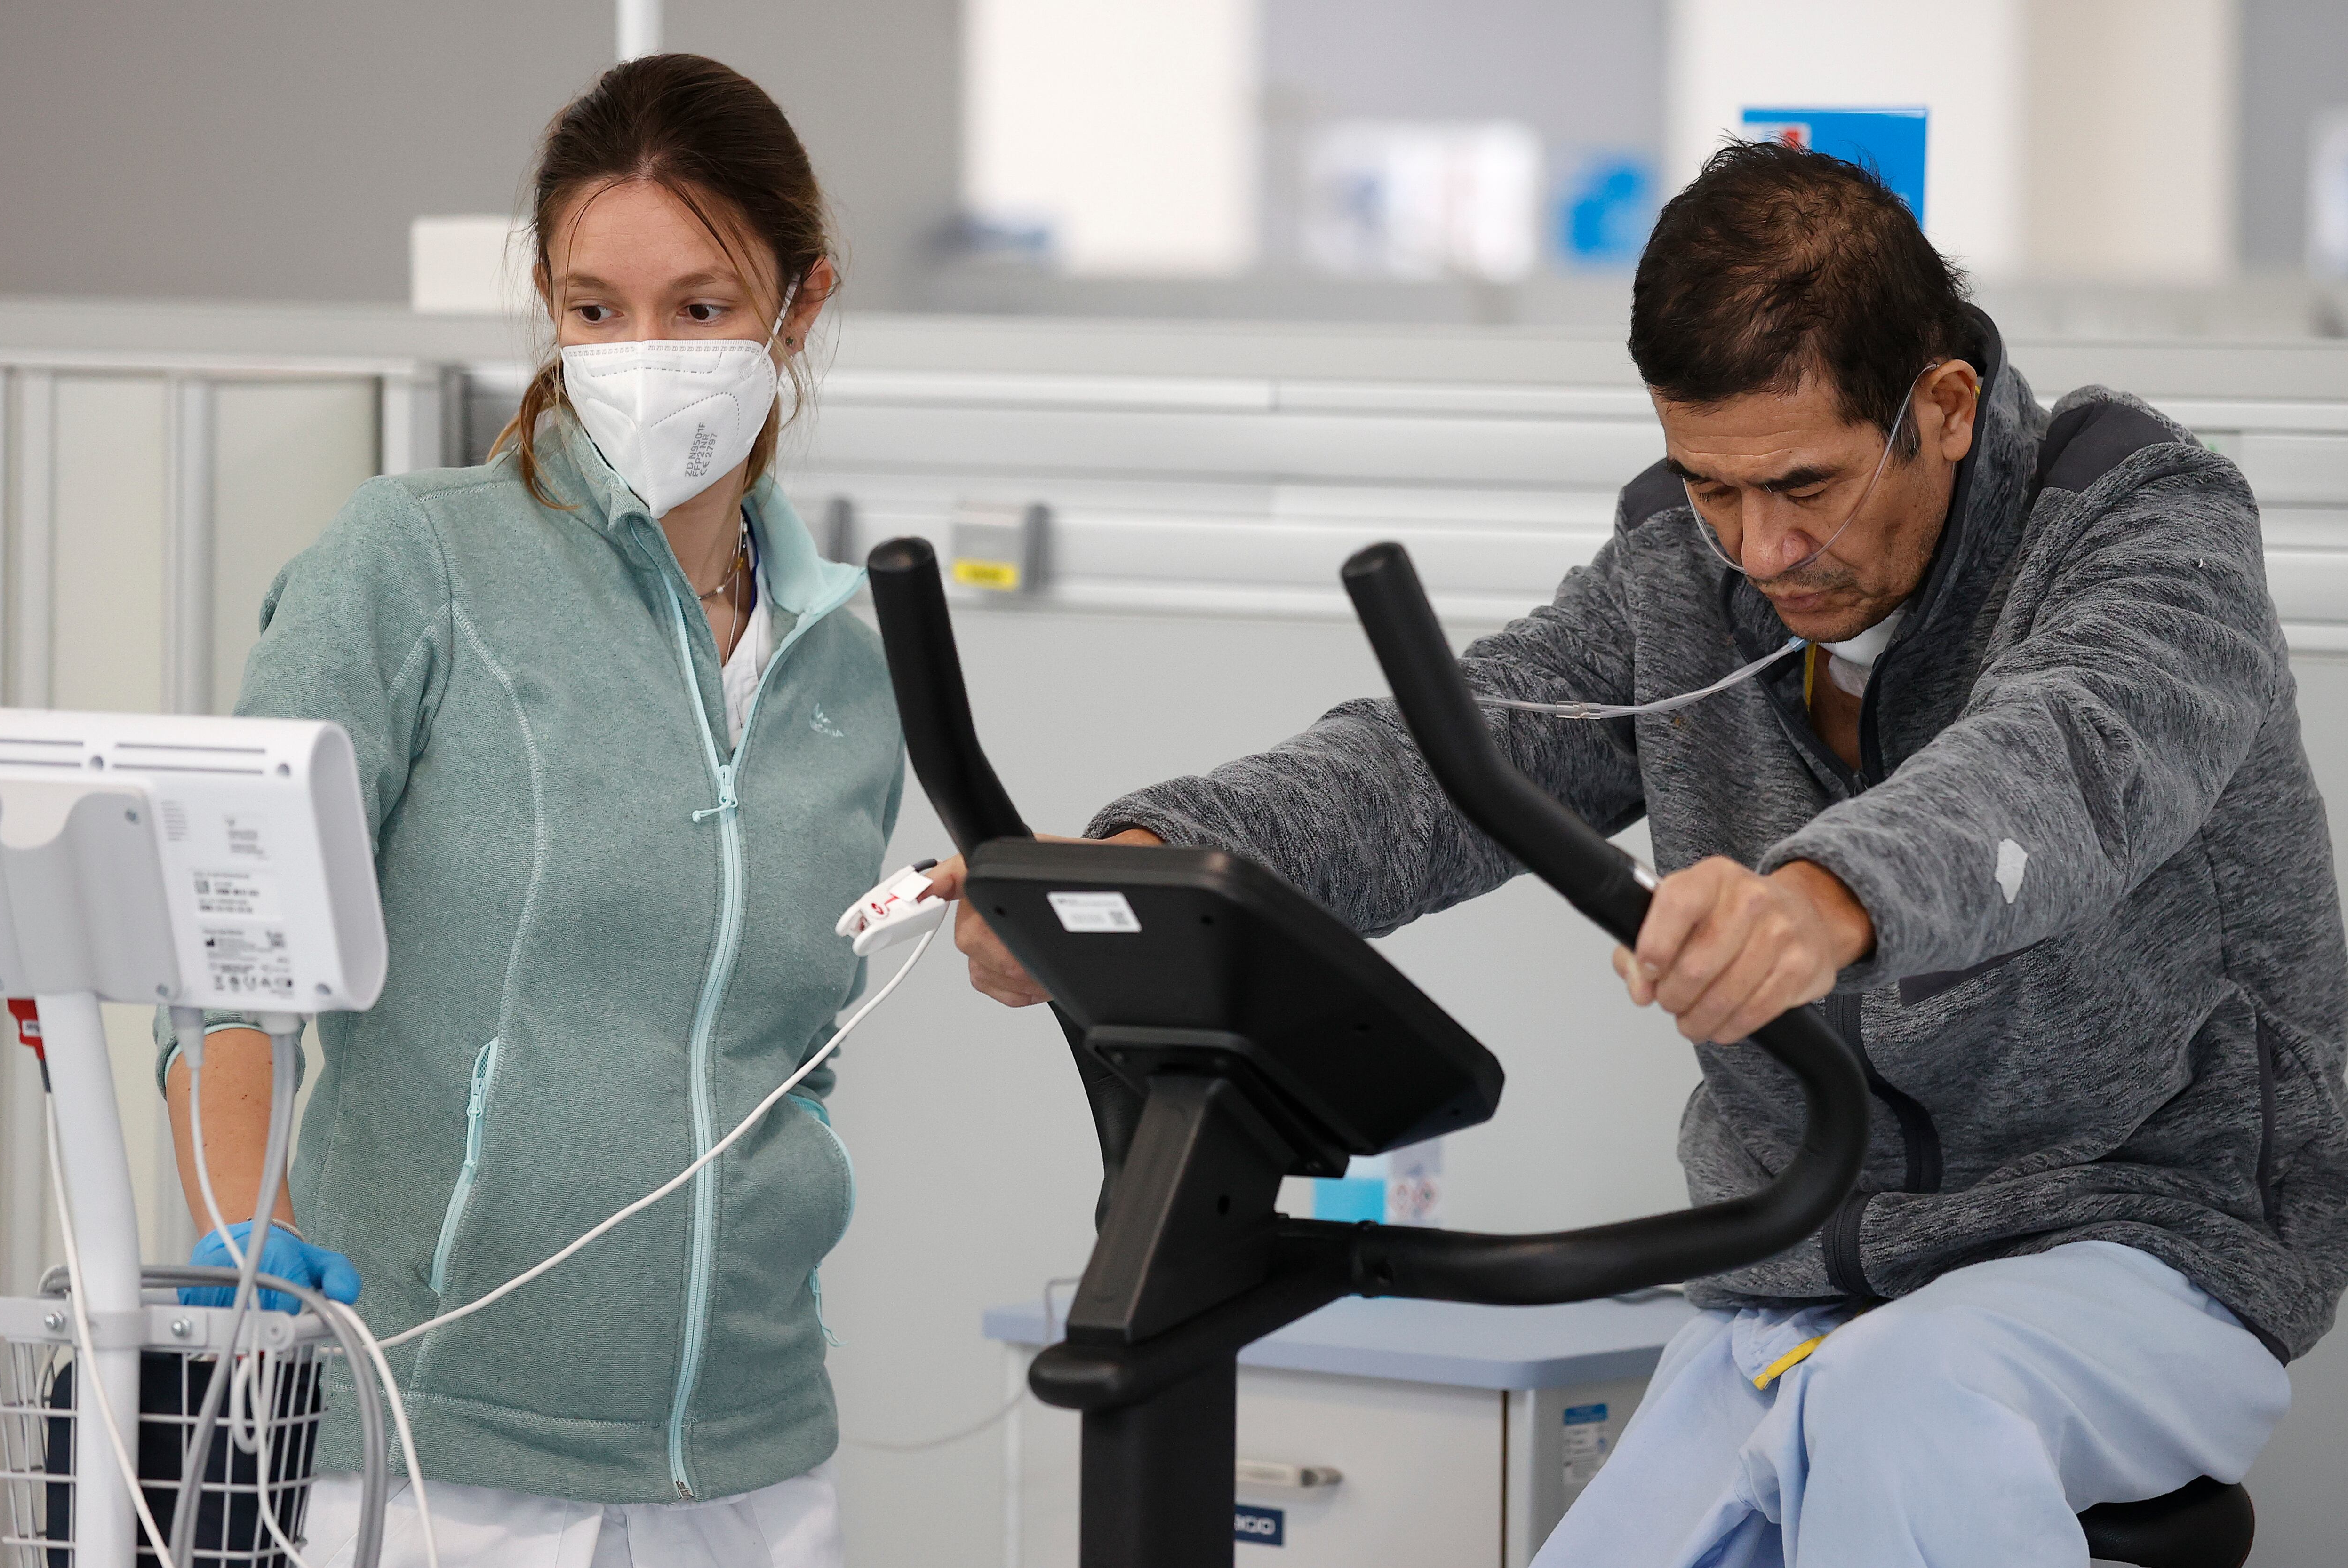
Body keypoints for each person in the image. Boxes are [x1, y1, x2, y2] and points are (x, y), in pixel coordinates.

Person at [936, 143, 2348, 1567]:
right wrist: (1143, 858)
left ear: (1945, 407)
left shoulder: (2141, 525)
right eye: (1711, 488)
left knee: (1903, 1402)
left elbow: (2069, 762)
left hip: (2145, 1245)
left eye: (1807, 484)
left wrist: (1827, 896)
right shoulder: (1684, 571)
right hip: (1801, 1275)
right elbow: (1450, 761)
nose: (1765, 551)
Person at [156, 54, 899, 1568]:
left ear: (800, 306)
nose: (642, 354)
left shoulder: (847, 669)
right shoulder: (411, 563)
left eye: (700, 309)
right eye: (592, 308)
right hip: (435, 1463)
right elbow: (220, 951)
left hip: (752, 1467)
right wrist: (243, 1227)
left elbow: (787, 1060)